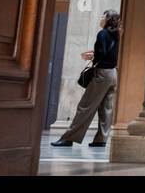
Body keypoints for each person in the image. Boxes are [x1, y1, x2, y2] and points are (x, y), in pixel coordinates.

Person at [51, 10, 120, 148]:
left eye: (102, 16)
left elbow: (101, 55)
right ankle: (101, 139)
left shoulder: (102, 34)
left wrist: (90, 56)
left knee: (85, 106)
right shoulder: (116, 34)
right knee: (106, 108)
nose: (100, 18)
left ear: (107, 19)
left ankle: (68, 138)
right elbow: (108, 54)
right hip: (113, 74)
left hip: (102, 74)